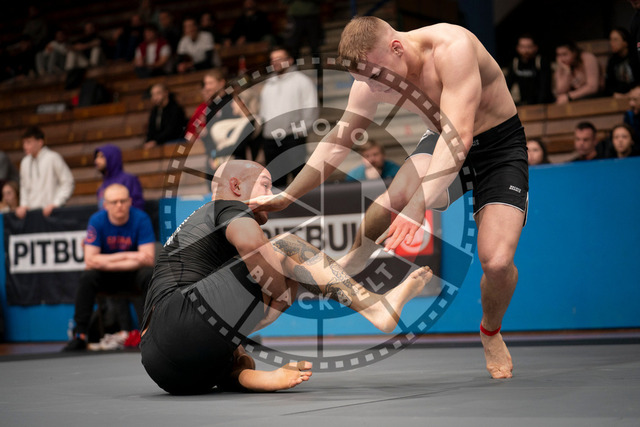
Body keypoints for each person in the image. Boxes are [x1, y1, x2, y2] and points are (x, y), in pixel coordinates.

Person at [249, 17, 531, 379]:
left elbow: (458, 138)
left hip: (496, 145)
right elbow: (337, 143)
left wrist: (417, 207)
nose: (373, 88)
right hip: (440, 136)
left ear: (397, 48)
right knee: (394, 196)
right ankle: (353, 261)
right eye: (365, 80)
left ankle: (490, 330)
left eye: (376, 77)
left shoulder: (452, 48)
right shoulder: (369, 78)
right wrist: (288, 195)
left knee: (497, 262)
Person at [140, 159, 432, 394]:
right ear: (236, 187)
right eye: (266, 185)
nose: (272, 194)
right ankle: (375, 307)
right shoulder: (225, 205)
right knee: (283, 247)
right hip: (176, 322)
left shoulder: (202, 234)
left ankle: (261, 378)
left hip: (169, 371)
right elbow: (252, 245)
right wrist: (277, 297)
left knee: (291, 271)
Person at [63, 184, 156, 351]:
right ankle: (80, 335)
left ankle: (151, 333)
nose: (119, 205)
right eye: (114, 202)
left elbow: (148, 259)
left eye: (123, 201)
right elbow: (90, 260)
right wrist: (130, 255)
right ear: (105, 205)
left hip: (132, 276)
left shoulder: (141, 218)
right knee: (87, 277)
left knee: (149, 274)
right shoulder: (97, 220)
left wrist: (106, 260)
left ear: (130, 202)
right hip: (106, 277)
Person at [259, 46, 318, 188]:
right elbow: (264, 111)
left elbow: (311, 107)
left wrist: (301, 131)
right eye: (273, 60)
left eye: (280, 59)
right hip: (270, 139)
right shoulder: (268, 84)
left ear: (290, 60)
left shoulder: (302, 81)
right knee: (276, 180)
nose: (276, 62)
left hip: (293, 137)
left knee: (299, 178)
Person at [16, 126, 74, 219]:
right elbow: (24, 187)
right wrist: (24, 205)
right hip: (32, 214)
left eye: (28, 142)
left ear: (40, 142)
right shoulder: (24, 162)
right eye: (24, 143)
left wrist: (56, 203)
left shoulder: (53, 157)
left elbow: (68, 182)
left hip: (51, 213)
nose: (25, 146)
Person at [504, 33, 553, 105]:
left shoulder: (540, 62)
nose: (526, 50)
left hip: (543, 104)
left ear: (535, 48)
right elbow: (507, 86)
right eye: (522, 47)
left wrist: (539, 104)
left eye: (529, 47)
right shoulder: (515, 63)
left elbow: (545, 88)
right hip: (524, 103)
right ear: (518, 48)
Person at [95, 144, 144, 210]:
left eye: (102, 156)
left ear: (112, 157)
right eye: (97, 157)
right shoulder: (103, 184)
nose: (97, 160)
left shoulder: (128, 180)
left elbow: (137, 206)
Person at [144, 83, 187, 149]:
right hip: (160, 142)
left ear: (165, 93)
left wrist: (156, 141)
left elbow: (171, 130)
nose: (155, 97)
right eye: (153, 94)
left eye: (158, 93)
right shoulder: (154, 111)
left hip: (174, 141)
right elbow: (151, 129)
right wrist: (148, 141)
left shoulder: (176, 109)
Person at [605, 27, 635, 97]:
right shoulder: (612, 61)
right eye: (610, 40)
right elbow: (608, 84)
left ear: (625, 42)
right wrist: (614, 93)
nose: (612, 43)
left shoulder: (635, 58)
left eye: (615, 40)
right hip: (619, 96)